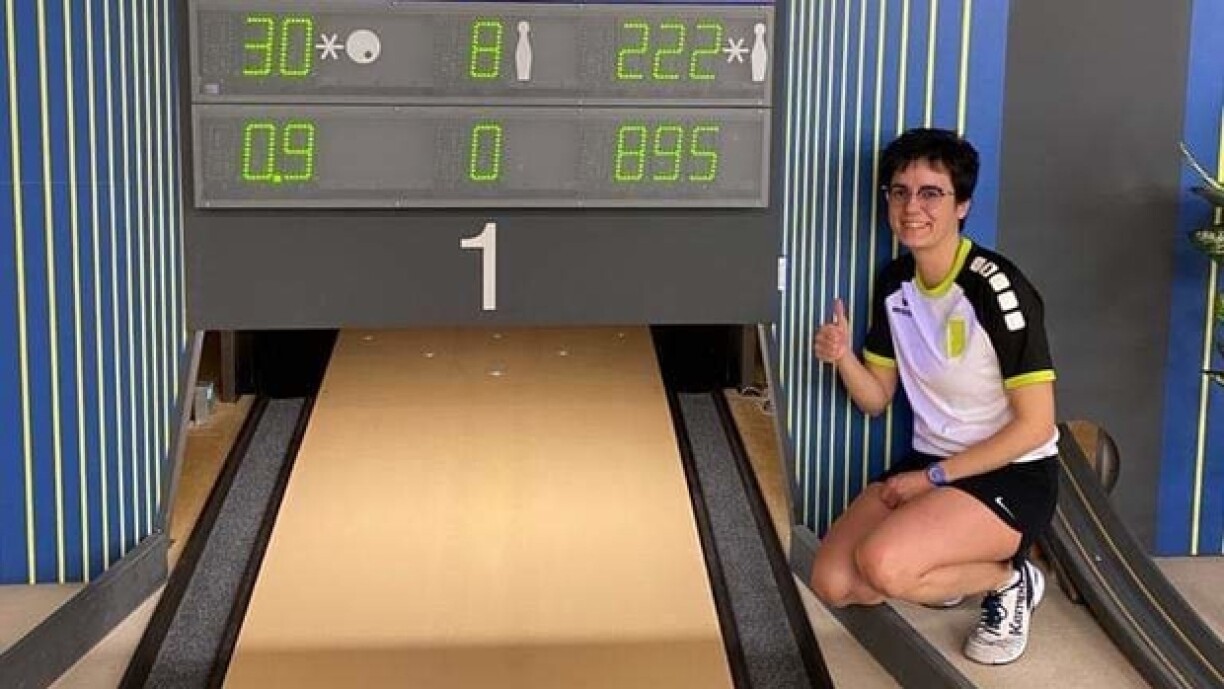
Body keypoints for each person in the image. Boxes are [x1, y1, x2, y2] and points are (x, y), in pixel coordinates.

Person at [808, 127, 1059, 665]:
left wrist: (931, 480)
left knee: (885, 567)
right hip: (932, 463)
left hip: (1012, 473)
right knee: (832, 582)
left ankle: (1009, 580)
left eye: (931, 193)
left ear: (961, 205)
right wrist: (843, 357)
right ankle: (942, 565)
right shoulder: (894, 281)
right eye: (899, 192)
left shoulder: (996, 287)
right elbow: (876, 400)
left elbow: (1035, 426)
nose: (911, 208)